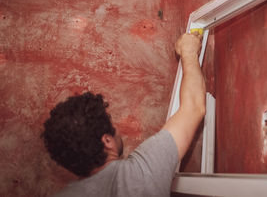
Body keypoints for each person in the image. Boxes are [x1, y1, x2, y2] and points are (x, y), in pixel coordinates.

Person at [42, 32, 206, 197]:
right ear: (107, 141)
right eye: (112, 125)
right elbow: (193, 107)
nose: (117, 128)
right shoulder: (139, 172)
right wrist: (189, 52)